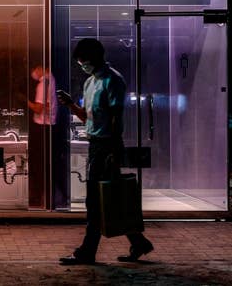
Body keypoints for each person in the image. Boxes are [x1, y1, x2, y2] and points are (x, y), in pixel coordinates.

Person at [57, 38, 153, 264]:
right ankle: (138, 243)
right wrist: (71, 105)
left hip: (107, 145)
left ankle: (87, 252)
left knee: (96, 201)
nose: (81, 64)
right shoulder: (90, 83)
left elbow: (114, 118)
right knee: (109, 198)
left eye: (84, 60)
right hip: (95, 145)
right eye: (79, 61)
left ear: (97, 58)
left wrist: (113, 151)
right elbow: (87, 118)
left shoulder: (113, 81)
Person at [27, 65, 57, 207]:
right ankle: (48, 197)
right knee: (47, 164)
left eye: (35, 69)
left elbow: (38, 109)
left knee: (37, 164)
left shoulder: (43, 83)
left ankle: (39, 198)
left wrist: (25, 100)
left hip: (41, 127)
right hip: (50, 127)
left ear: (40, 67)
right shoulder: (52, 80)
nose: (33, 73)